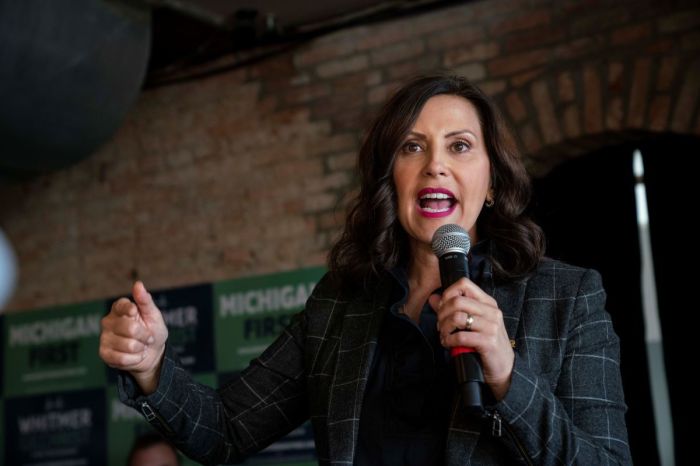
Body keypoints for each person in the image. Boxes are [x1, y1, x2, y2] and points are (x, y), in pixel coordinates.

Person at [99, 74, 632, 465]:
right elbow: (226, 430)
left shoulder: (567, 298)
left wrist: (508, 378)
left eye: (460, 146)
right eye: (412, 147)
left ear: (492, 182)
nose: (435, 165)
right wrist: (150, 367)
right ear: (391, 179)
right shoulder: (340, 302)